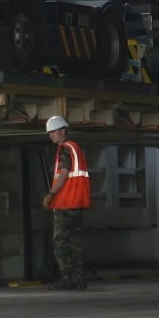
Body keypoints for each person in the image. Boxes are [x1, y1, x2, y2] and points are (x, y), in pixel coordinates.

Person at [42, 115, 90, 290]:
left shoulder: (64, 149)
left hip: (66, 202)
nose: (51, 136)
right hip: (77, 202)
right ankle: (79, 278)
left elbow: (63, 174)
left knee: (61, 240)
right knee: (76, 240)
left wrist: (51, 194)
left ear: (62, 131)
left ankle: (67, 276)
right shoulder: (75, 147)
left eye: (53, 132)